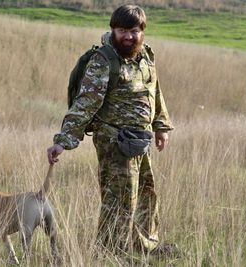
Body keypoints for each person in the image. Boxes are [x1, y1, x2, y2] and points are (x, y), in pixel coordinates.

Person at [47, 4, 177, 257]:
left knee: (146, 194)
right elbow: (85, 103)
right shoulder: (103, 61)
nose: (128, 36)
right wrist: (63, 141)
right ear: (113, 30)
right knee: (119, 200)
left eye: (134, 31)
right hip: (114, 141)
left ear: (142, 31)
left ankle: (144, 247)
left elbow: (154, 92)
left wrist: (161, 126)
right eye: (122, 31)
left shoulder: (146, 56)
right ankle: (110, 252)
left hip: (140, 140)